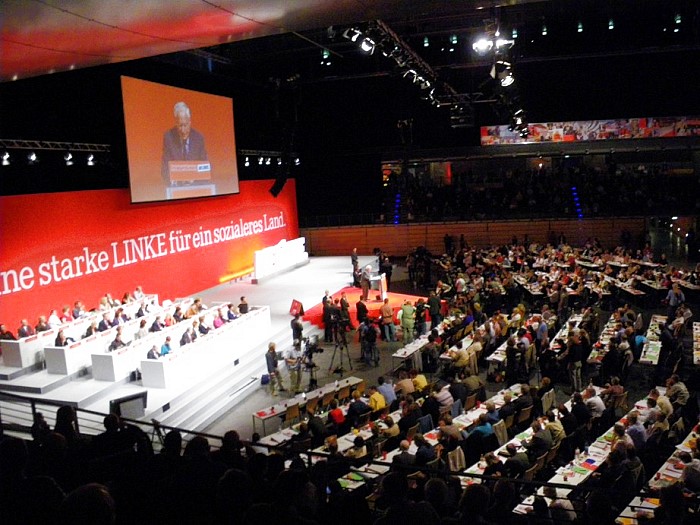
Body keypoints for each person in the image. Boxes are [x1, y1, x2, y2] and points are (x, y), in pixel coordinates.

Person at [161, 101, 208, 183]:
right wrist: (178, 178)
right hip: (176, 185)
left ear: (190, 122)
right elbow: (164, 170)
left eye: (185, 125)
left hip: (195, 185)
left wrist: (195, 178)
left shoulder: (199, 138)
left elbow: (205, 168)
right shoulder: (169, 138)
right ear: (176, 123)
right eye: (180, 125)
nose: (183, 130)